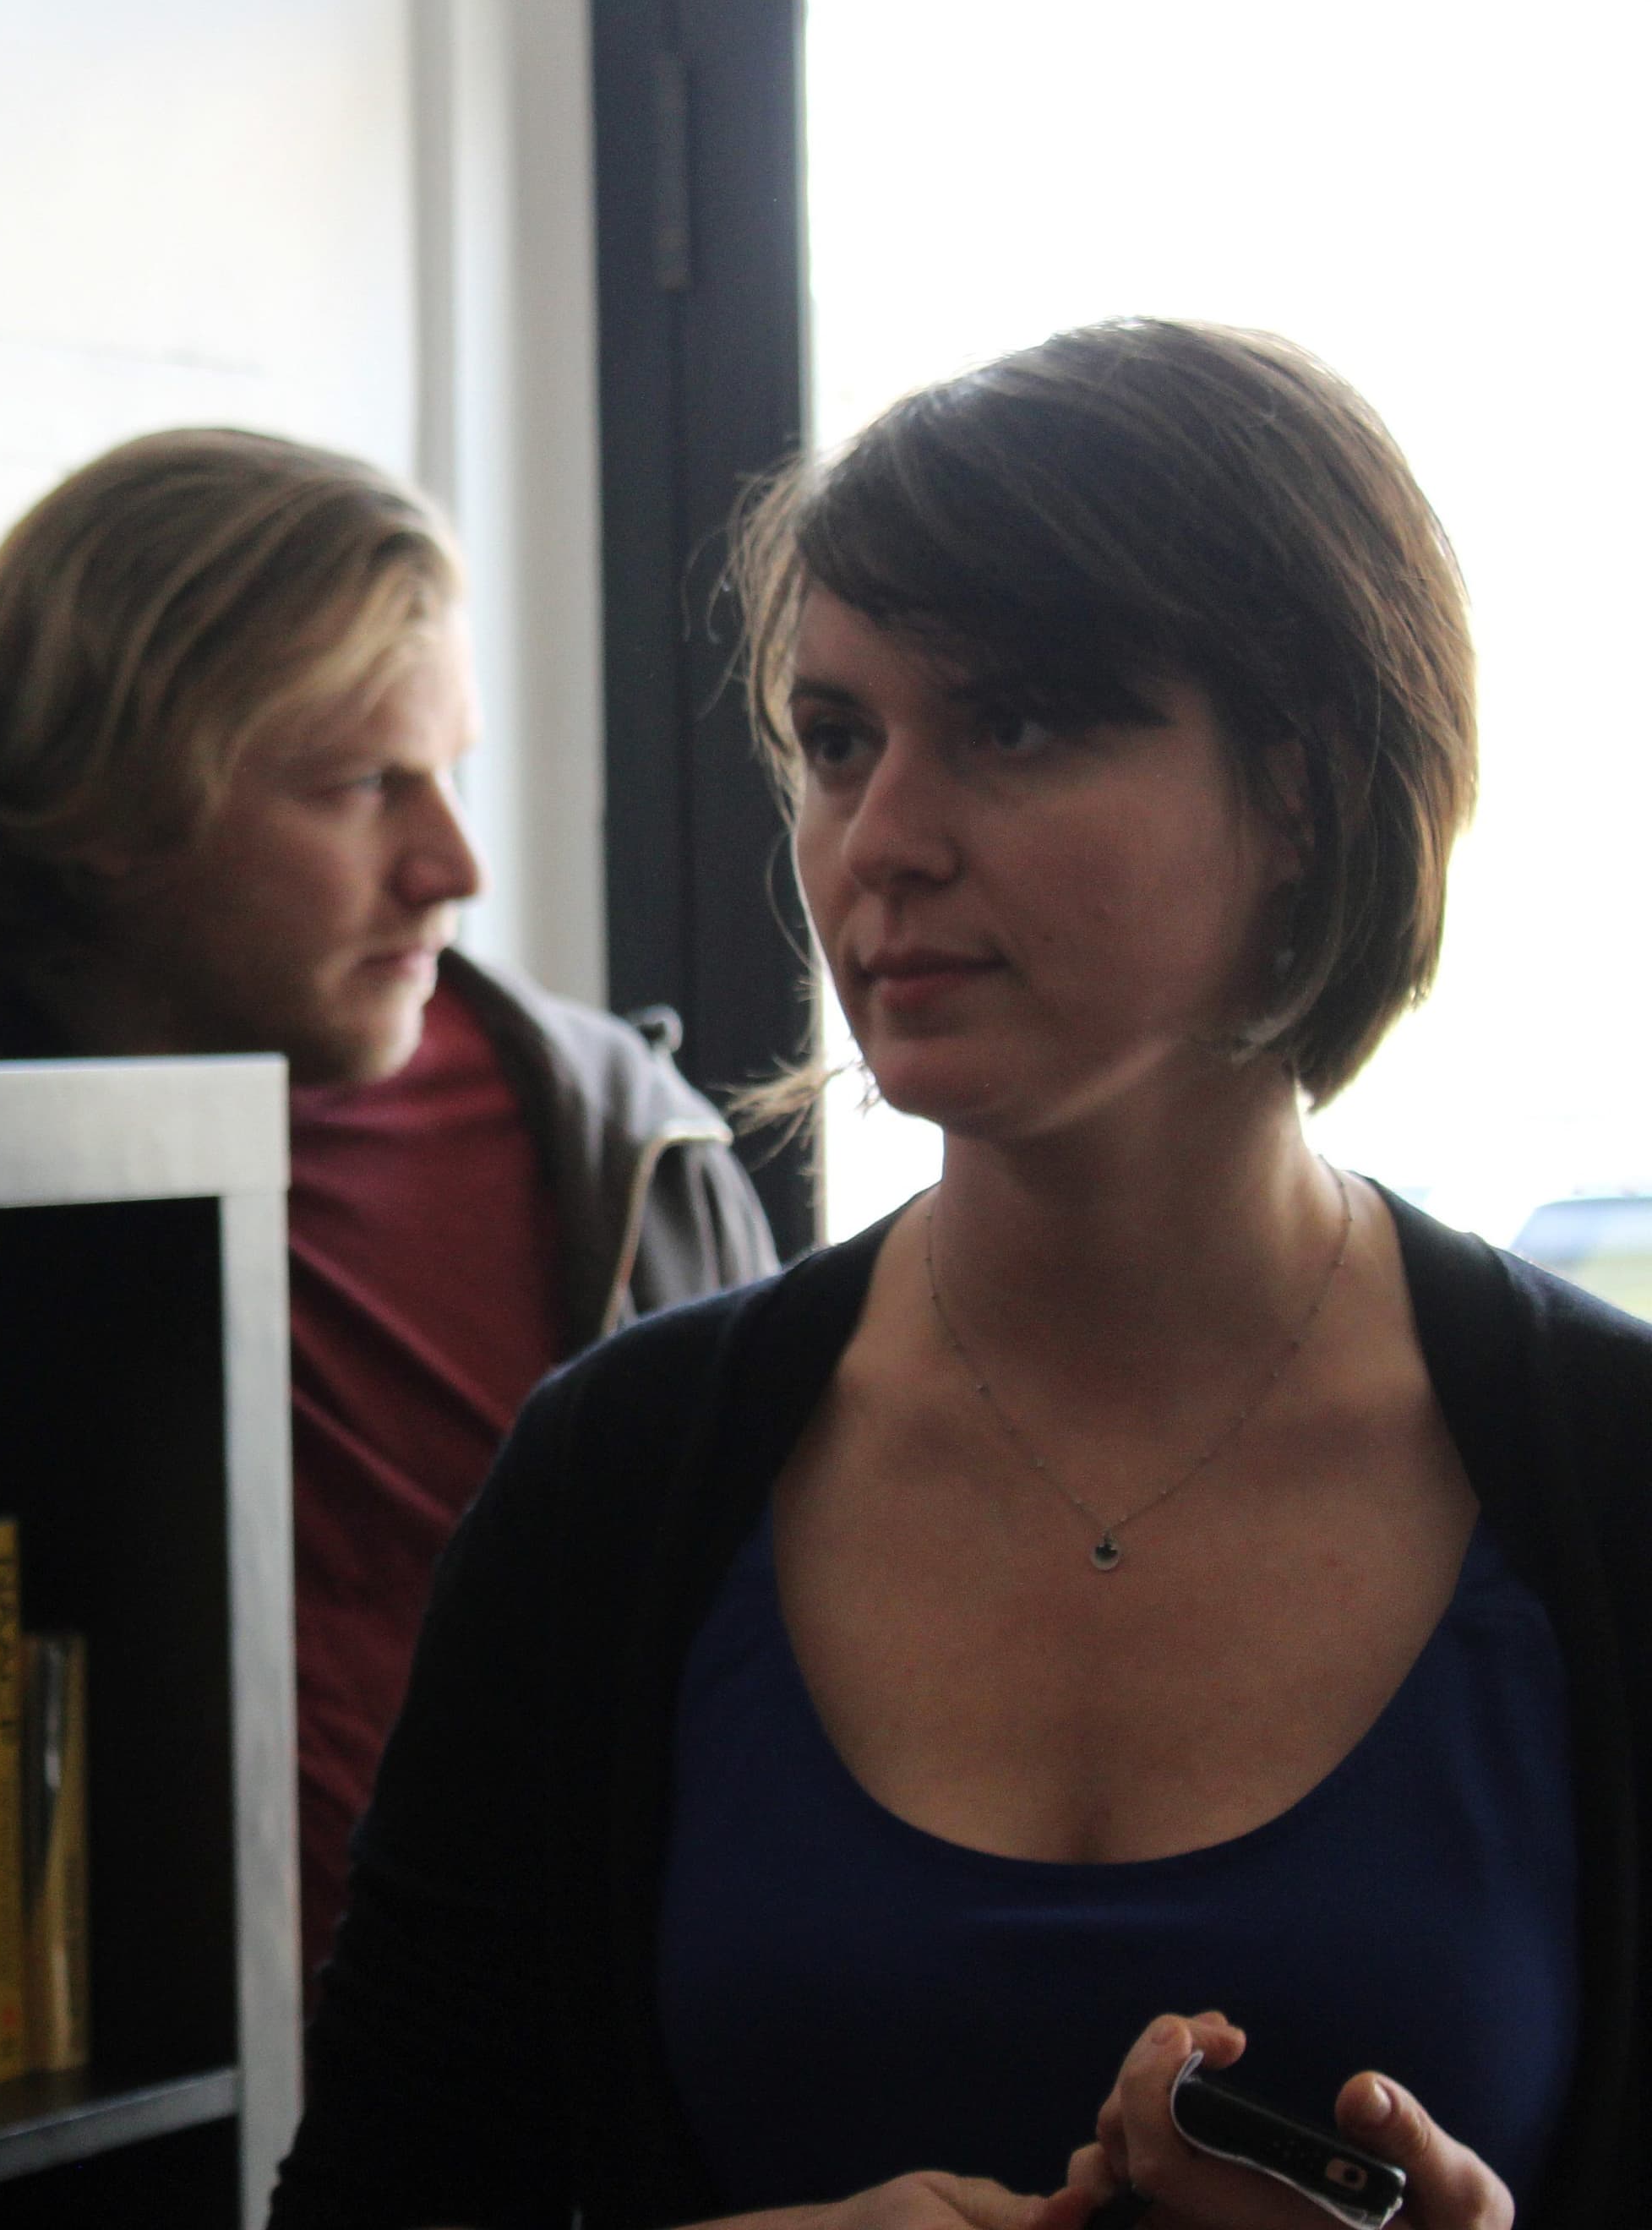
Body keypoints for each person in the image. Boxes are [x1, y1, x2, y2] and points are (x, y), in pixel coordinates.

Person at [271, 319, 1652, 2230]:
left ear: (1310, 782)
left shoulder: (1609, 1476)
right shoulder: (622, 1482)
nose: (880, 843)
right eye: (837, 740)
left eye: (1015, 724)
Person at [0, 428, 776, 1974]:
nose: (453, 866)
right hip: (113, 2085)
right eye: (366, 785)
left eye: (451, 774)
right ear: (112, 809)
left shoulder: (624, 1138)